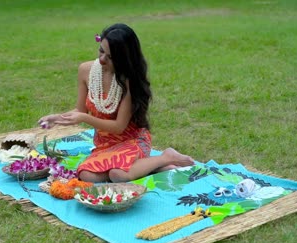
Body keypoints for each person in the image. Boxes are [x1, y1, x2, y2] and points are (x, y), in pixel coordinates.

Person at [38, 23, 194, 183]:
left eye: (110, 57)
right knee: (86, 175)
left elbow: (119, 126)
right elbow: (80, 110)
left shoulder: (129, 80)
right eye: (101, 51)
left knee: (118, 174)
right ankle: (152, 167)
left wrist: (85, 119)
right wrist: (57, 118)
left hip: (131, 140)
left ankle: (166, 157)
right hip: (104, 143)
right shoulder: (85, 70)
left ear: (124, 59)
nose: (102, 59)